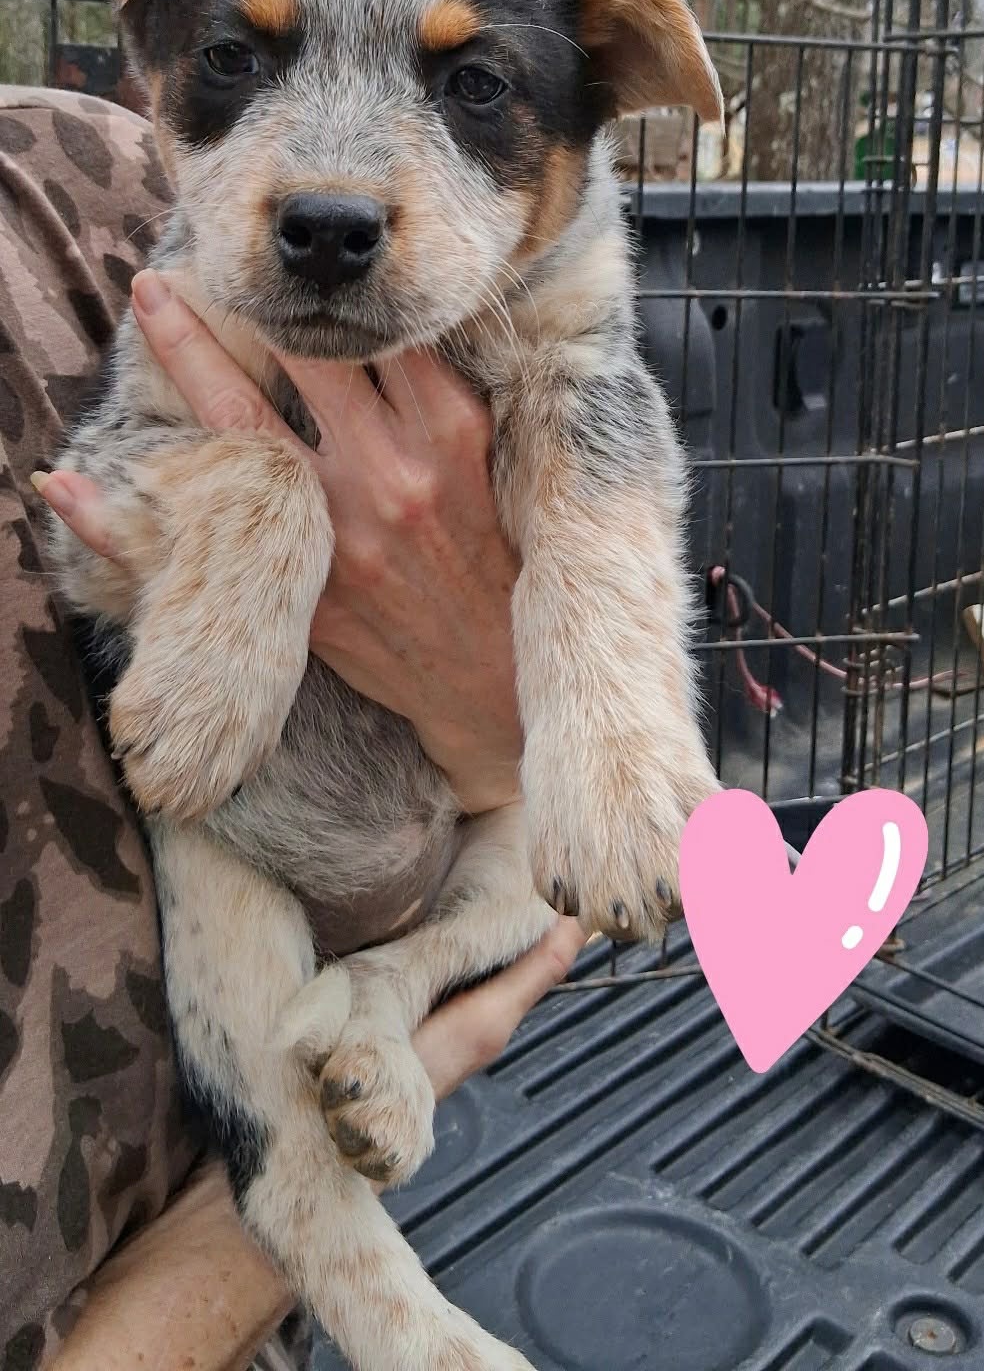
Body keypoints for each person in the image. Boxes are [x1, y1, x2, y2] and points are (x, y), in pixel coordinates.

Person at [0, 86, 583, 1371]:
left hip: (428, 869)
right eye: (247, 56)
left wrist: (494, 712)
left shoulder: (83, 172)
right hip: (242, 981)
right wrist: (255, 510)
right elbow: (99, 531)